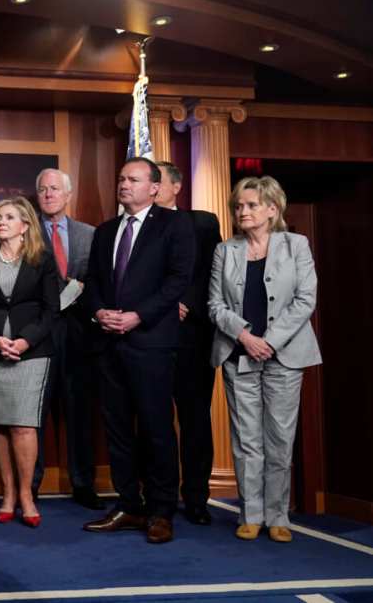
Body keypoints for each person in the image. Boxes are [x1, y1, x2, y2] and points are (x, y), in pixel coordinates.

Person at [82, 157, 194, 544]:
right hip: (109, 345)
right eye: (121, 179)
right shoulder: (106, 230)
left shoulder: (176, 225)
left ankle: (162, 511)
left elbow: (178, 280)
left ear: (154, 187)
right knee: (117, 430)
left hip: (151, 343)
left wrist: (137, 316)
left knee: (156, 428)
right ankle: (129, 504)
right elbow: (93, 280)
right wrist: (98, 311)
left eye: (133, 179)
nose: (124, 184)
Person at [207, 176, 320, 543]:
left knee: (279, 438)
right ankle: (250, 513)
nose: (243, 211)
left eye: (251, 205)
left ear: (272, 209)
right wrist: (244, 336)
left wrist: (267, 342)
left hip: (284, 356)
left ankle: (278, 515)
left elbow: (305, 299)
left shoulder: (296, 245)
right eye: (238, 206)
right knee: (246, 440)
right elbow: (215, 306)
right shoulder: (226, 251)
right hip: (238, 355)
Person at [0, 197, 59, 528]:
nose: (1, 222)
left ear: (25, 226)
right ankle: (7, 494)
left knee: (23, 424)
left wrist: (24, 341)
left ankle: (26, 495)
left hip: (32, 353)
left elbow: (51, 310)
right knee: (0, 423)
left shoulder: (43, 261)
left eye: (9, 217)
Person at [29, 167, 103, 511]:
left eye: (54, 189)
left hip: (79, 338)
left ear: (68, 194)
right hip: (39, 338)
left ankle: (83, 483)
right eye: (43, 189)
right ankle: (30, 485)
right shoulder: (25, 233)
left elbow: (100, 282)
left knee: (79, 414)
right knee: (33, 415)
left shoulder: (90, 234)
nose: (48, 194)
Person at [154, 161, 222, 526]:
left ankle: (196, 497)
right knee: (154, 421)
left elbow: (215, 270)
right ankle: (159, 496)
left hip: (193, 336)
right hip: (151, 337)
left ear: (176, 186)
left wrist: (187, 303)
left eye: (158, 180)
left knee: (195, 420)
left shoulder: (202, 223)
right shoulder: (137, 228)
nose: (150, 186)